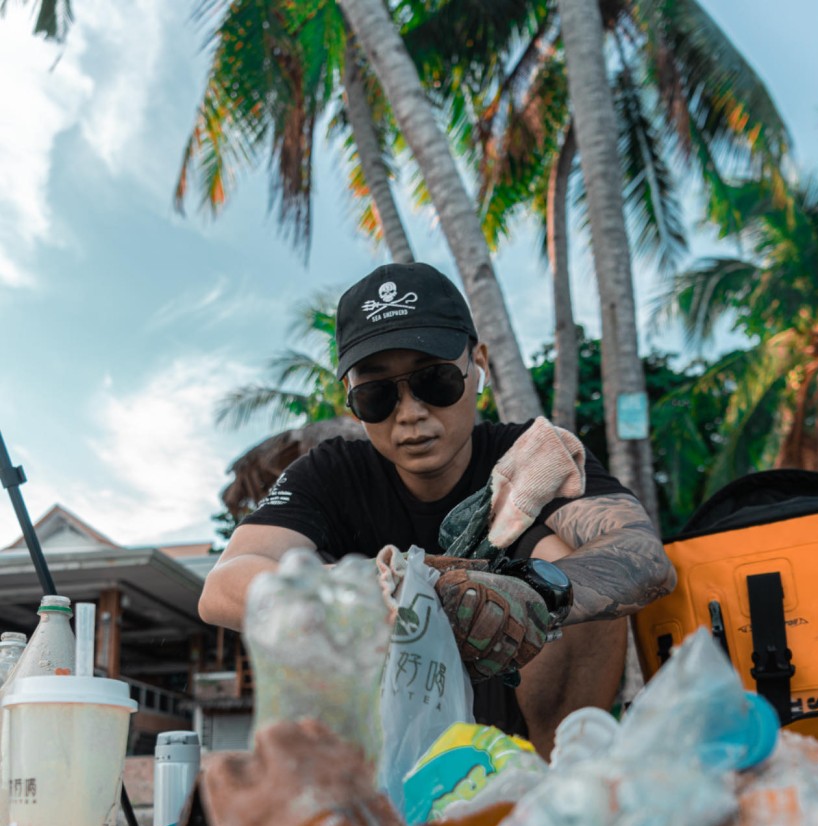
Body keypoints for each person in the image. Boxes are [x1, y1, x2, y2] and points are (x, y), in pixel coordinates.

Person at [200, 262, 676, 757]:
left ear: (479, 364)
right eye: (377, 394)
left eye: (435, 381)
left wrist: (528, 593)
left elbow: (641, 555)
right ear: (351, 400)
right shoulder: (330, 473)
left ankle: (560, 780)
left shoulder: (531, 458)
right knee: (286, 597)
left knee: (575, 569)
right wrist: (368, 594)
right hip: (378, 745)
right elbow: (223, 585)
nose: (410, 414)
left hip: (527, 735)